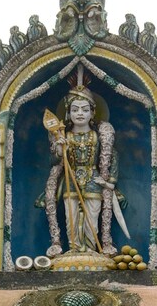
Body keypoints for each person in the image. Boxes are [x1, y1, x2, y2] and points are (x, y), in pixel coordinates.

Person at [42, 85, 124, 258]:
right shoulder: (65, 137)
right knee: (71, 219)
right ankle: (74, 249)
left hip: (94, 180)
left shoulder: (98, 136)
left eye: (85, 110)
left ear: (93, 113)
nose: (80, 113)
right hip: (70, 182)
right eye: (75, 109)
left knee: (92, 220)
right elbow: (54, 162)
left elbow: (113, 157)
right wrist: (59, 148)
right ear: (68, 113)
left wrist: (110, 181)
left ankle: (91, 250)